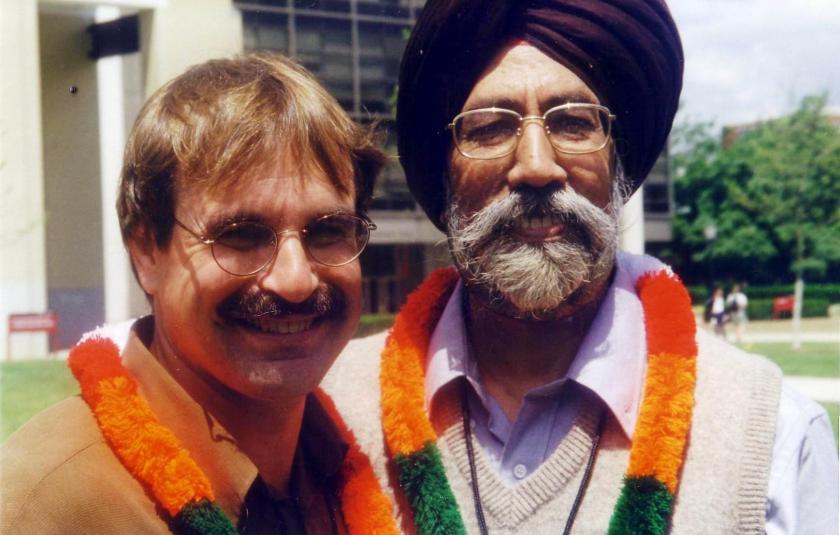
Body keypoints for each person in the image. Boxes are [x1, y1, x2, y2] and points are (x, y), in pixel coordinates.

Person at [322, 1, 839, 534]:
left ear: (620, 159)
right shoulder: (324, 411)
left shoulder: (770, 433)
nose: (536, 166)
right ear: (443, 171)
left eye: (572, 122)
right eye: (489, 128)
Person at [0, 53, 399, 534]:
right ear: (147, 253)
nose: (295, 280)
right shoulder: (45, 508)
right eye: (242, 235)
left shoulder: (344, 467)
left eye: (328, 231)